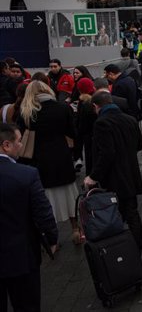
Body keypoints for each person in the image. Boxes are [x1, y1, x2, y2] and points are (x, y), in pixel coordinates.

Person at [0, 123, 58, 312]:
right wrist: (51, 239)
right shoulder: (26, 175)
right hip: (21, 256)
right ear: (6, 145)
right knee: (27, 305)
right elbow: (42, 212)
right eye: (18, 141)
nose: (21, 145)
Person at [17, 81, 81, 243]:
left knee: (46, 200)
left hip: (39, 160)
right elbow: (73, 132)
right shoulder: (62, 108)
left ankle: (52, 239)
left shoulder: (27, 112)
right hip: (62, 157)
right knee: (69, 195)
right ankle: (76, 229)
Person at [85, 91, 142, 251]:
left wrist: (93, 176)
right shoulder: (130, 120)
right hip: (131, 174)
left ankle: (121, 251)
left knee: (115, 214)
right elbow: (139, 145)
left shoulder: (101, 123)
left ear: (96, 106)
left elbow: (107, 153)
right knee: (132, 213)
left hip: (114, 178)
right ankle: (136, 250)